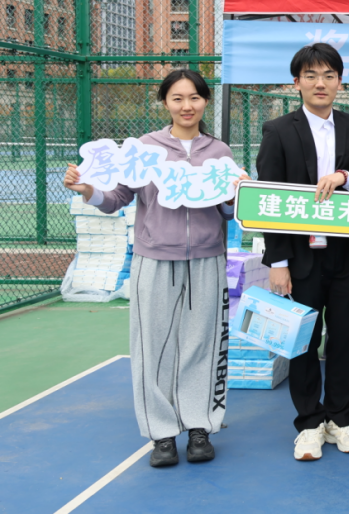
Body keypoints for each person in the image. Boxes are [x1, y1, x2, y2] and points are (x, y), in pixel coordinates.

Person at [63, 70, 244, 469]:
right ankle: (161, 434)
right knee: (152, 346)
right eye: (177, 98)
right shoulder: (145, 148)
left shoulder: (220, 151)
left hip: (206, 259)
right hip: (154, 259)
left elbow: (227, 211)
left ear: (206, 102)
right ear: (165, 103)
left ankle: (199, 427)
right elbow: (116, 198)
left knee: (202, 344)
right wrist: (87, 190)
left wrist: (236, 195)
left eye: (194, 98)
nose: (186, 106)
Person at [256, 43, 349, 462]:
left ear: (340, 82)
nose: (320, 83)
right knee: (304, 343)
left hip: (345, 256)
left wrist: (345, 176)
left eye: (329, 75)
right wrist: (278, 262)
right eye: (311, 75)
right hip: (300, 259)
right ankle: (309, 424)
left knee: (345, 340)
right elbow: (270, 200)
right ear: (297, 82)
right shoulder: (278, 130)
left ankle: (341, 420)